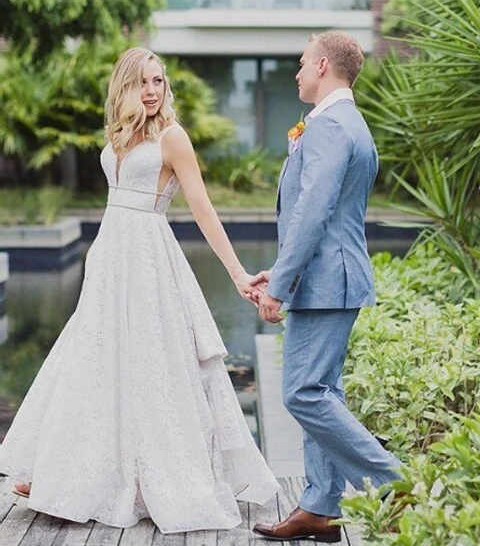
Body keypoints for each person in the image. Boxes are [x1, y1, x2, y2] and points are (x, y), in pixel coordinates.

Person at [0, 47, 279, 532]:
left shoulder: (173, 139)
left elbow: (203, 209)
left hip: (150, 261)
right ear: (125, 87)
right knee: (94, 364)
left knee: (152, 367)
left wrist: (237, 274)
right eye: (143, 83)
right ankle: (63, 473)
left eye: (158, 82)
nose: (153, 91)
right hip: (110, 261)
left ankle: (152, 479)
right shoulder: (120, 134)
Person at [250, 31, 402, 544]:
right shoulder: (343, 123)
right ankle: (319, 506)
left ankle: (393, 483)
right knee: (322, 391)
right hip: (328, 278)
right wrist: (282, 269)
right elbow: (327, 216)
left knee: (302, 394)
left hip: (324, 283)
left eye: (300, 64)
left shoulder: (332, 127)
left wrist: (282, 283)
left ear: (321, 66)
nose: (295, 73)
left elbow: (311, 215)